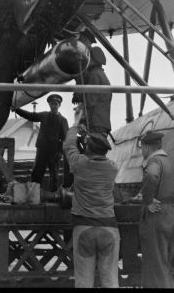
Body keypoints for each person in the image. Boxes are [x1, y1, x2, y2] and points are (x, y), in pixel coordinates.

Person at [63, 106, 120, 288]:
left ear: (87, 148)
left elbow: (68, 145)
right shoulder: (112, 168)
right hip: (109, 229)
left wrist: (75, 124)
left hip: (84, 228)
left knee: (83, 281)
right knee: (110, 280)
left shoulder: (79, 164)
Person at [138, 130, 174, 288]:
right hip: (170, 214)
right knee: (164, 265)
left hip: (157, 215)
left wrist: (147, 199)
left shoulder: (154, 161)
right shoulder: (167, 161)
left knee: (156, 268)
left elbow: (151, 176)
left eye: (142, 148)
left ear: (146, 147)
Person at [12, 94, 69, 192]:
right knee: (37, 172)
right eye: (51, 104)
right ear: (49, 105)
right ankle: (34, 193)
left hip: (54, 152)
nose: (53, 106)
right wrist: (17, 110)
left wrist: (60, 152)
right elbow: (31, 116)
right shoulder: (44, 115)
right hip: (42, 149)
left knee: (54, 175)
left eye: (55, 104)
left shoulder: (63, 121)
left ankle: (53, 195)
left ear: (59, 105)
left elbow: (65, 138)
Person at [72, 46, 112, 136]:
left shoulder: (94, 75)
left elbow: (90, 102)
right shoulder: (102, 75)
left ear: (92, 60)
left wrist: (82, 121)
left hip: (95, 124)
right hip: (102, 124)